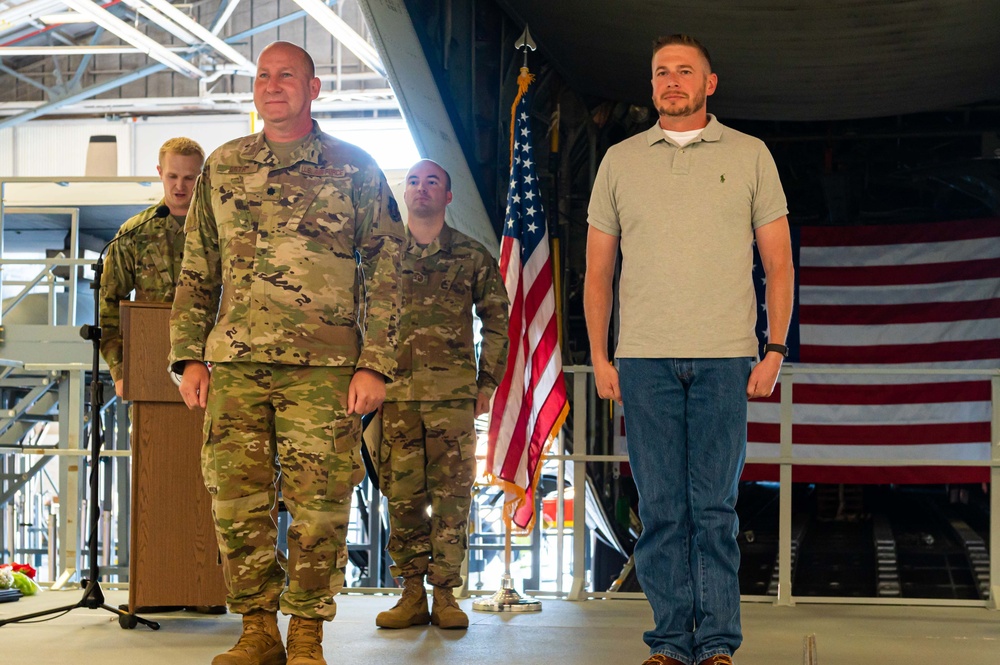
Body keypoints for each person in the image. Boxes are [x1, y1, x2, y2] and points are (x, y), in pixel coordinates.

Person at [168, 41, 404, 665]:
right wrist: (189, 355)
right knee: (235, 501)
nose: (274, 86)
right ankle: (257, 629)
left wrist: (375, 362)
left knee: (320, 505)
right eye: (264, 76)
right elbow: (198, 267)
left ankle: (305, 634)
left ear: (315, 88)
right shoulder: (222, 165)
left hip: (324, 370)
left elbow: (387, 268)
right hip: (237, 365)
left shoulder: (355, 167)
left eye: (288, 76)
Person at [584, 34, 793, 665]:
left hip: (727, 357)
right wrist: (600, 355)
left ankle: (719, 647)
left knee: (714, 509)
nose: (671, 81)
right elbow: (598, 272)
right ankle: (671, 645)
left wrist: (775, 348)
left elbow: (778, 265)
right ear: (651, 87)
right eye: (660, 73)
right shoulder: (620, 161)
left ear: (710, 83)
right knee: (662, 508)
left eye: (684, 71)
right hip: (642, 359)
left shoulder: (751, 154)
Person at [374, 159, 509, 631]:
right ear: (404, 194)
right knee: (404, 498)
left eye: (433, 182)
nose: (422, 189)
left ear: (448, 197)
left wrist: (487, 382)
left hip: (452, 398)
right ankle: (411, 594)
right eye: (414, 181)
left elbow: (498, 321)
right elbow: (356, 317)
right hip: (393, 397)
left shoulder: (472, 255)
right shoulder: (382, 254)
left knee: (452, 498)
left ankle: (446, 595)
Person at [99, 137, 204, 398]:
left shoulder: (217, 231)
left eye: (190, 178)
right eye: (172, 176)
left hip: (208, 366)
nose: (180, 186)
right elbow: (108, 305)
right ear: (159, 173)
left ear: (202, 177)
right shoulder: (135, 233)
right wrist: (120, 371)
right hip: (148, 363)